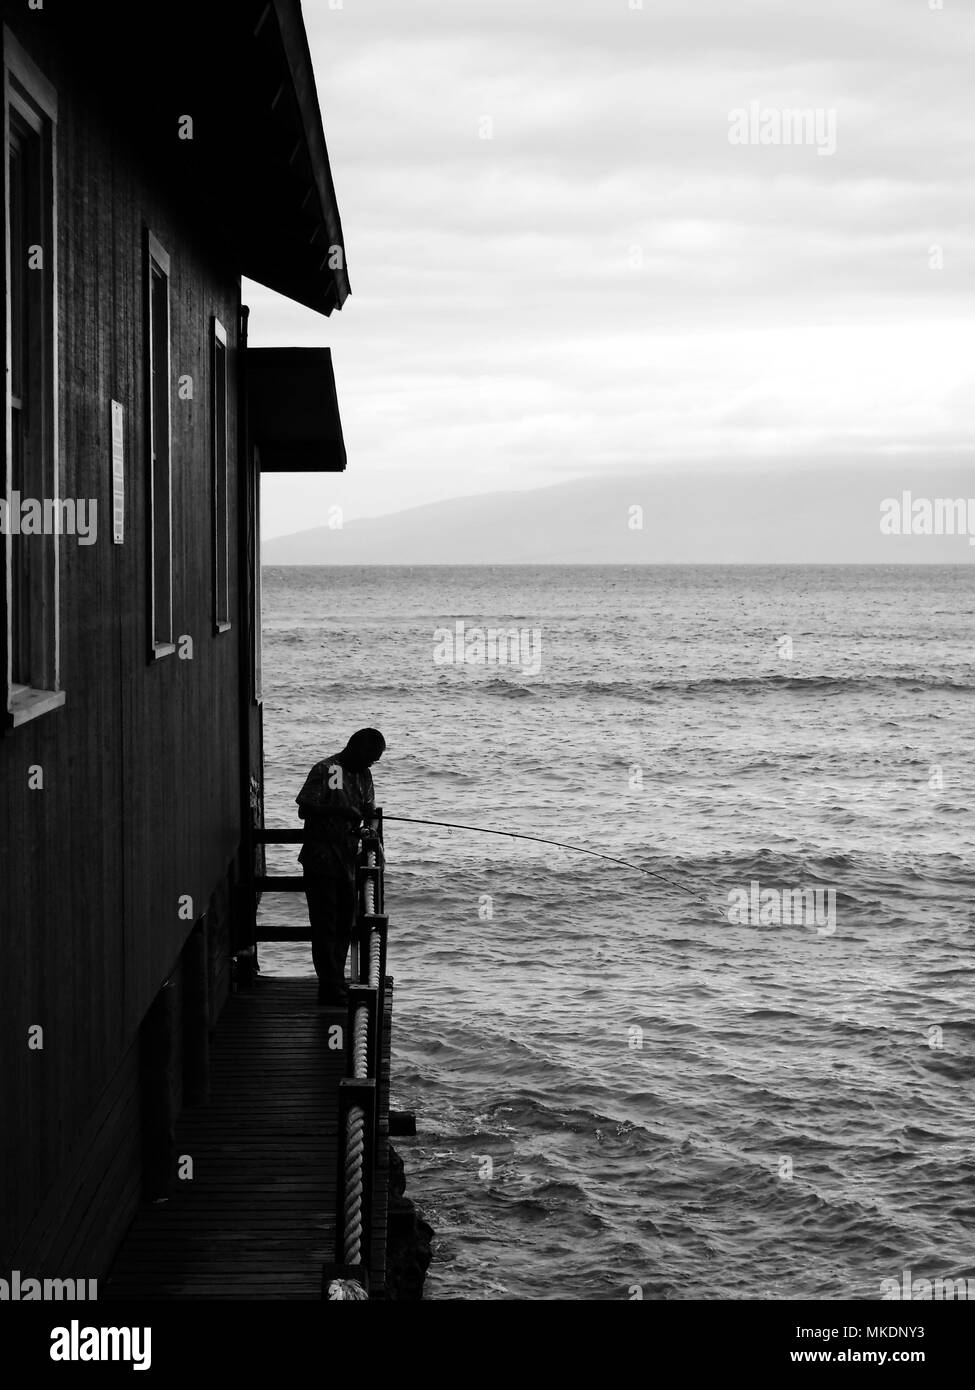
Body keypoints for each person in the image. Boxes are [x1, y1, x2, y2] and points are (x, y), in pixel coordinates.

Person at [295, 728, 386, 1004]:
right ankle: (330, 986)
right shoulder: (326, 769)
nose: (374, 763)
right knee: (325, 926)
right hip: (321, 861)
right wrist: (341, 812)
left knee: (345, 925)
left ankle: (335, 983)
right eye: (372, 756)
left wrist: (368, 825)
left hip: (347, 862)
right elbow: (305, 809)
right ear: (358, 749)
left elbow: (369, 810)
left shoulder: (363, 775)